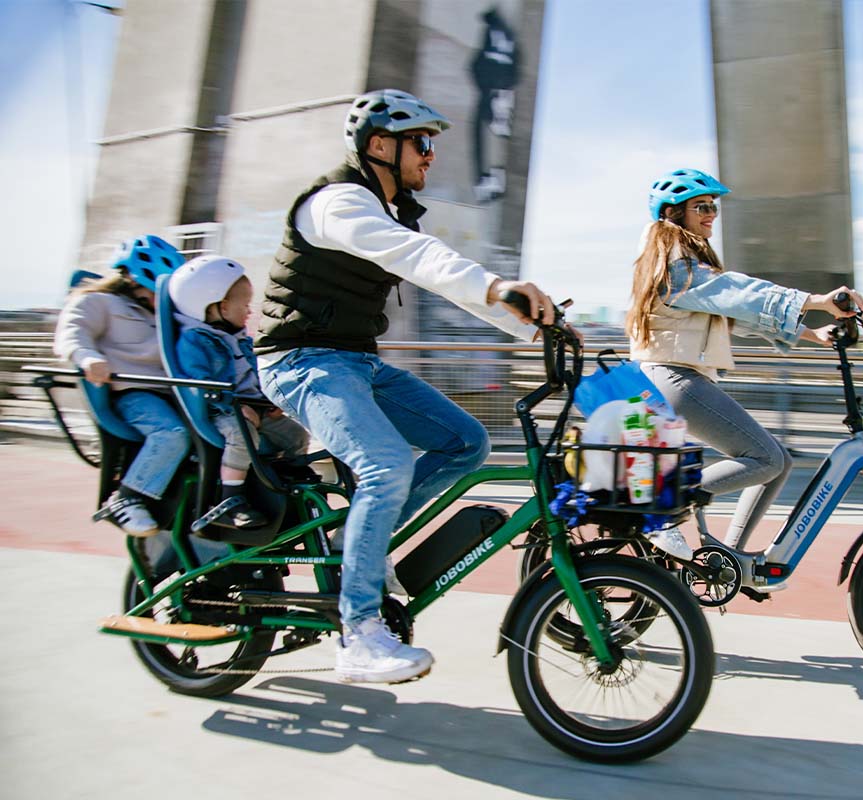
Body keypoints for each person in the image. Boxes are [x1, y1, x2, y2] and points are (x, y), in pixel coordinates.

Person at [255, 88, 559, 684]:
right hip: (299, 361)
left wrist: (535, 326)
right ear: (378, 146)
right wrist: (499, 287)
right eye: (421, 142)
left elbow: (436, 275)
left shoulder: (385, 210)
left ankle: (357, 537)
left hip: (354, 362)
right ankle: (360, 632)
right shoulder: (338, 203)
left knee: (465, 443)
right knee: (385, 464)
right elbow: (418, 256)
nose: (430, 156)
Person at [627, 168, 863, 568]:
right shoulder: (675, 265)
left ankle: (729, 558)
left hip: (675, 377)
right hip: (670, 377)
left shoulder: (686, 265)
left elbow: (737, 316)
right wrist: (817, 299)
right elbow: (738, 292)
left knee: (777, 462)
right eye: (701, 206)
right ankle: (660, 507)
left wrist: (813, 333)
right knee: (766, 459)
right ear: (673, 214)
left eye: (714, 207)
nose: (711, 214)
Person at [54, 235, 189, 537]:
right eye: (156, 290)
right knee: (171, 433)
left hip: (174, 392)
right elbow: (73, 332)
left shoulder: (164, 317)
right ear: (132, 279)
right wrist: (88, 358)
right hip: (134, 393)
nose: (162, 298)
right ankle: (127, 498)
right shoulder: (98, 302)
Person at [168, 255, 310, 529]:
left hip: (253, 406)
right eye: (244, 305)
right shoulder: (195, 340)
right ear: (221, 307)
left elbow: (256, 373)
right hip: (223, 410)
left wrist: (270, 397)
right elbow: (199, 382)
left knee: (296, 434)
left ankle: (289, 479)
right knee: (240, 434)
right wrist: (232, 403)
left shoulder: (240, 339)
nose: (249, 311)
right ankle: (229, 499)